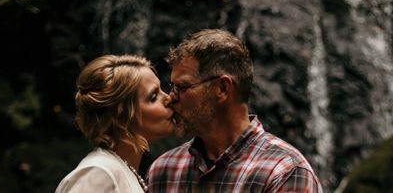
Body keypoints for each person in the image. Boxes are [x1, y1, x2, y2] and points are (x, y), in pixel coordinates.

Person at [148, 29, 322, 192]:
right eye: (172, 86)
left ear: (222, 88)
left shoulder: (284, 171)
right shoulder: (164, 170)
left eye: (182, 87)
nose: (171, 97)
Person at [56, 54, 173, 193]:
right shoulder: (99, 173)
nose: (169, 98)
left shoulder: (120, 169)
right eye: (153, 97)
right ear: (121, 117)